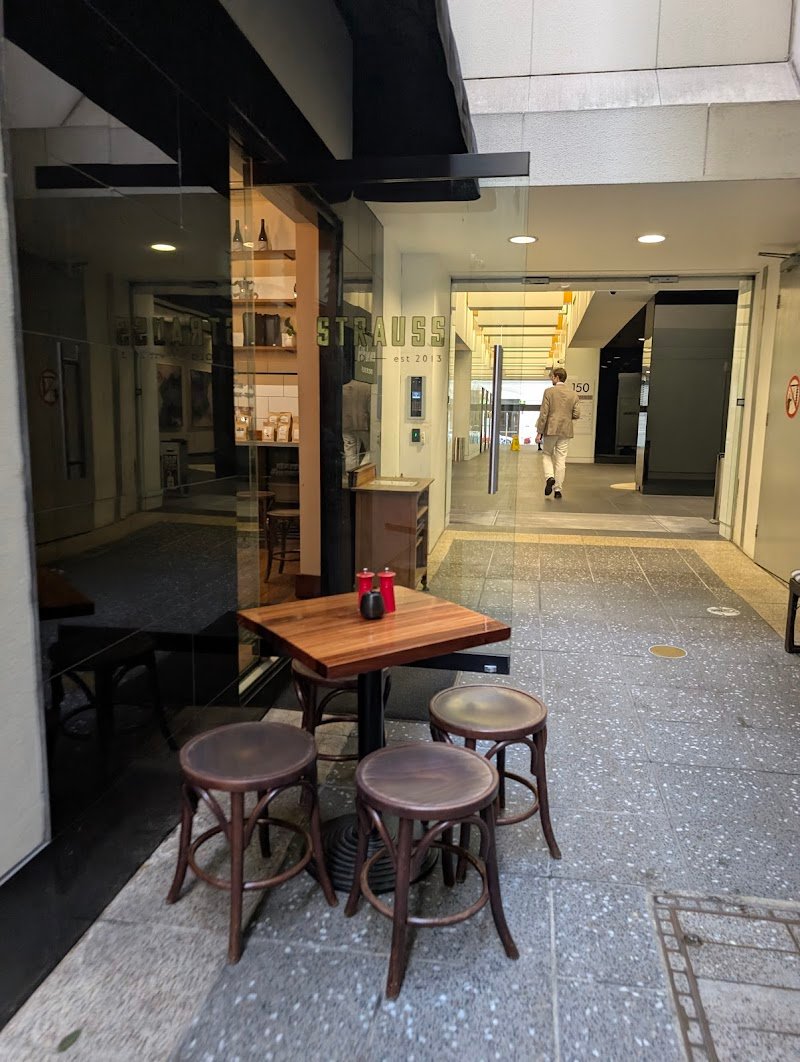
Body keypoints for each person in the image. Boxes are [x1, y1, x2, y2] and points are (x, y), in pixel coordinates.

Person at [535, 366, 580, 499]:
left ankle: (550, 477)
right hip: (566, 430)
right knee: (561, 459)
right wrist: (566, 418)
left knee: (547, 454)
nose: (551, 379)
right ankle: (558, 490)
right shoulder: (573, 394)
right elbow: (577, 414)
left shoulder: (549, 392)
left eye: (552, 377)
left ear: (557, 377)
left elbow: (544, 414)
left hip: (551, 429)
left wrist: (539, 432)